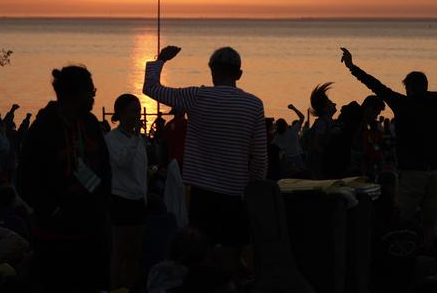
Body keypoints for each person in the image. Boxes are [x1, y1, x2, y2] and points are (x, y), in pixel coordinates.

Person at [143, 46, 267, 252]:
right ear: (239, 74)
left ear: (212, 72)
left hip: (201, 196)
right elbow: (260, 158)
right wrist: (252, 189)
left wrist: (161, 60)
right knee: (232, 255)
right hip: (236, 195)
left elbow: (151, 89)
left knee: (201, 255)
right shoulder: (254, 105)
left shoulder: (196, 97)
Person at [341, 47, 437, 246]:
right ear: (425, 86)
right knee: (430, 224)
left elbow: (376, 86)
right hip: (436, 172)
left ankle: (401, 255)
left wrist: (352, 67)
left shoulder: (404, 104)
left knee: (401, 219)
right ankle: (428, 258)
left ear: (408, 88)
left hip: (412, 172)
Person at [17, 65, 111, 292]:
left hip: (91, 233)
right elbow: (25, 180)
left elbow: (105, 170)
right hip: (54, 236)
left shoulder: (90, 125)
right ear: (76, 93)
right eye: (91, 91)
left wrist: (102, 208)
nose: (94, 96)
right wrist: (53, 210)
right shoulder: (43, 129)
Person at [106, 93, 149, 290]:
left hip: (139, 200)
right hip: (121, 200)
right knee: (120, 250)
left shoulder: (138, 140)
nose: (137, 115)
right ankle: (116, 288)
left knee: (136, 251)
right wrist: (135, 138)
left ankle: (129, 287)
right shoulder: (111, 139)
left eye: (139, 111)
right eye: (133, 111)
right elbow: (122, 162)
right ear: (121, 113)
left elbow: (140, 171)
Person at [305, 82, 337, 179]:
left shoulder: (328, 122)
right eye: (330, 102)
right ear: (325, 108)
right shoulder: (322, 123)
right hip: (319, 165)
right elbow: (316, 144)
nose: (335, 103)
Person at [271, 104, 306, 177]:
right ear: (286, 124)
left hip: (286, 160)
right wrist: (293, 108)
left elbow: (272, 147)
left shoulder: (277, 137)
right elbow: (302, 117)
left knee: (286, 178)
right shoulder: (293, 130)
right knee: (301, 177)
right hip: (297, 158)